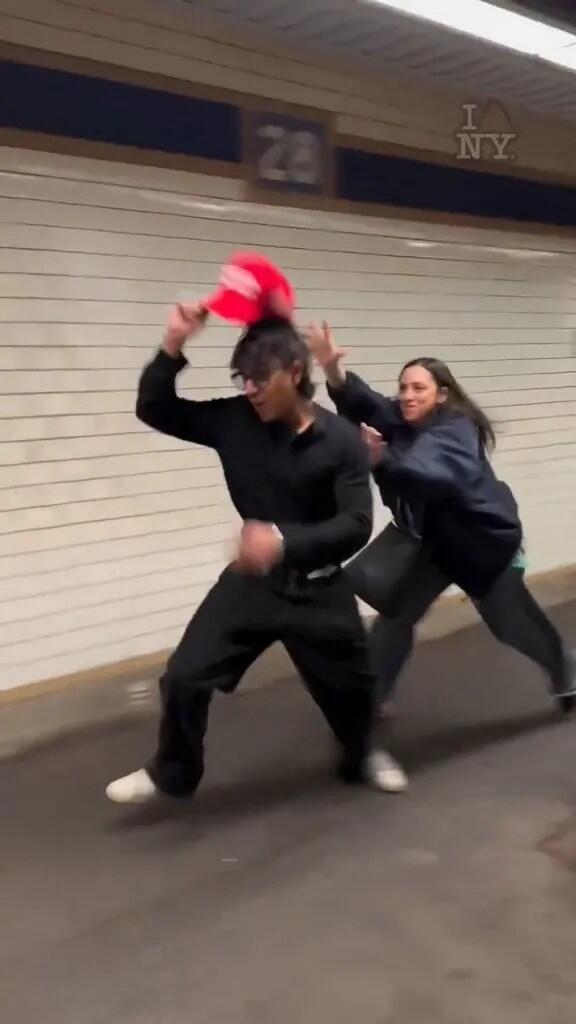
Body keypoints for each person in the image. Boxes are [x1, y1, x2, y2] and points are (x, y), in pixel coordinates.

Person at [106, 306, 407, 805]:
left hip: (320, 588)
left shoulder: (340, 439)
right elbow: (154, 408)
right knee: (184, 676)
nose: (250, 389)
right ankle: (172, 773)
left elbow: (356, 524)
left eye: (260, 378)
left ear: (294, 371)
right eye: (242, 379)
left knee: (353, 694)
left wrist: (283, 540)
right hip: (253, 583)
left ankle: (363, 755)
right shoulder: (233, 421)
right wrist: (173, 343)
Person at [308, 322, 576, 720]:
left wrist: (383, 460)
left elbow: (429, 474)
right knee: (396, 615)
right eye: (403, 387)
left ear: (442, 394)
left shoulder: (456, 430)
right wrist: (333, 371)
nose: (408, 395)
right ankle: (371, 698)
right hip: (430, 545)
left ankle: (564, 668)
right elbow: (366, 404)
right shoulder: (400, 419)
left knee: (509, 624)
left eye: (419, 388)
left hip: (478, 544)